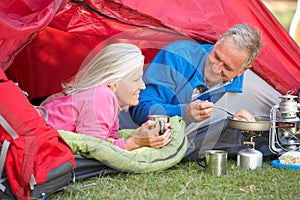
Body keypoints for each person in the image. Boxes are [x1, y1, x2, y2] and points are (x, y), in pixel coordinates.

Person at [129, 23, 265, 160]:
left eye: (227, 68)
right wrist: (184, 112)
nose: (216, 68)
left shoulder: (245, 86)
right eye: (216, 56)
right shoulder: (177, 57)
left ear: (242, 70)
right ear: (217, 43)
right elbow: (139, 110)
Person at [40, 43, 173, 151]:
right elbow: (94, 149)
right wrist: (135, 142)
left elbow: (110, 141)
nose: (143, 86)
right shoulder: (101, 95)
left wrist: (143, 136)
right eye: (136, 79)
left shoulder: (107, 100)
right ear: (113, 82)